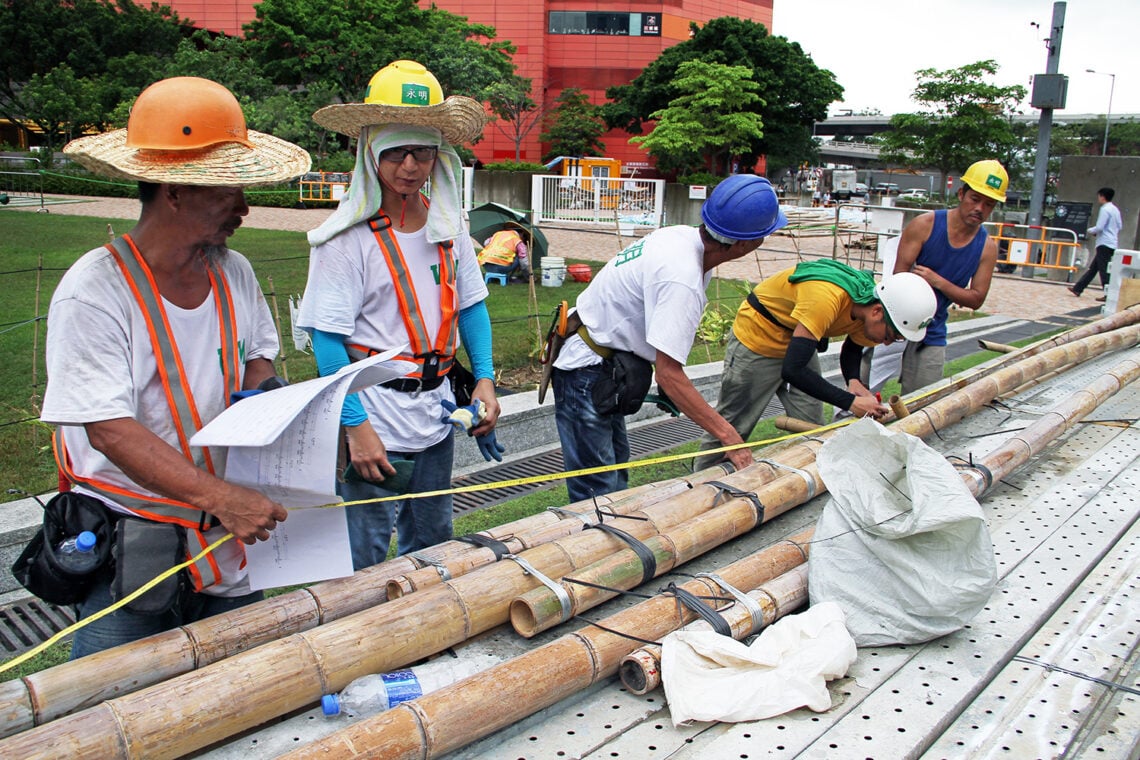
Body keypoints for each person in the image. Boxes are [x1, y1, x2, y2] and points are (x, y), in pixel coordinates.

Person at [42, 76, 311, 657]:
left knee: (239, 693)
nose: (244, 207)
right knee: (110, 704)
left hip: (226, 537)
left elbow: (256, 361)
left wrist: (283, 407)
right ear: (173, 190)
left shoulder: (232, 271)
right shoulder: (93, 291)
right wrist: (221, 497)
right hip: (135, 543)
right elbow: (109, 429)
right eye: (227, 191)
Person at [297, 60, 501, 569]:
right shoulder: (345, 241)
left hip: (435, 417)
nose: (410, 166)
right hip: (374, 419)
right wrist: (354, 425)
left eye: (423, 152)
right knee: (361, 556)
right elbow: (327, 342)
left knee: (433, 546)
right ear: (371, 154)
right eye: (396, 153)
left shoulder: (448, 228)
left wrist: (486, 381)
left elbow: (472, 307)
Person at [549, 175, 785, 502]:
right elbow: (670, 376)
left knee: (614, 483)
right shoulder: (683, 277)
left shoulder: (680, 237)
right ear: (745, 244)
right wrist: (731, 438)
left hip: (603, 364)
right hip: (586, 371)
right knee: (597, 495)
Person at [692, 263, 937, 471]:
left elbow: (852, 347)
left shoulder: (867, 304)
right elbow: (793, 370)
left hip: (799, 341)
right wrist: (850, 402)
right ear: (876, 312)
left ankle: (807, 478)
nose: (887, 342)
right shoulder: (826, 298)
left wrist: (854, 382)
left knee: (812, 424)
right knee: (733, 423)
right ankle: (698, 483)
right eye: (891, 335)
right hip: (758, 340)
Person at [892, 159, 1006, 393]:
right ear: (961, 194)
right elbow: (897, 277)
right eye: (975, 199)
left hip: (932, 329)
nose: (980, 209)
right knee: (860, 392)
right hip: (891, 320)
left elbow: (976, 298)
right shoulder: (925, 225)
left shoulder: (987, 247)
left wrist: (938, 282)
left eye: (988, 204)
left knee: (923, 401)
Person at [1069, 187, 1123, 301]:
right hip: (1112, 241)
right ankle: (1078, 288)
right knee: (1094, 268)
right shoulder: (1115, 209)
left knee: (1103, 270)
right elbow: (1120, 226)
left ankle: (1109, 294)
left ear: (1102, 196)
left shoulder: (1105, 209)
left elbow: (1099, 227)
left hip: (1104, 242)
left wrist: (1090, 230)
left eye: (1099, 196)